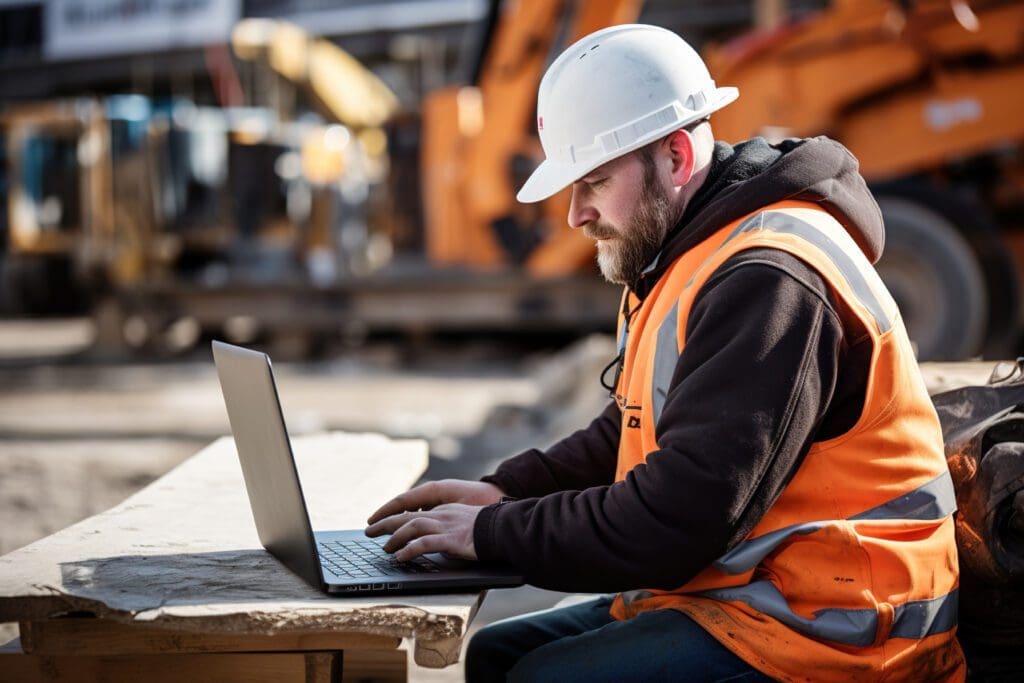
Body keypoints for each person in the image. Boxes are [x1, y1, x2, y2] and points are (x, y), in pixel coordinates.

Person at [366, 23, 966, 682]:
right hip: (749, 597)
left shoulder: (770, 279)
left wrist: (492, 534)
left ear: (676, 157)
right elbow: (635, 429)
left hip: (843, 628)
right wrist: (503, 489)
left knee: (540, 677)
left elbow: (677, 517)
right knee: (494, 653)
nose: (575, 216)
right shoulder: (688, 253)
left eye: (592, 181)